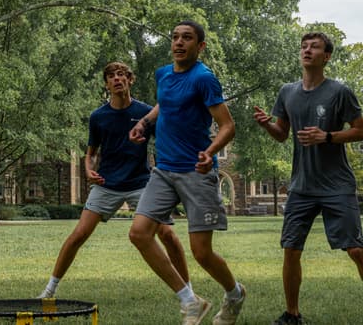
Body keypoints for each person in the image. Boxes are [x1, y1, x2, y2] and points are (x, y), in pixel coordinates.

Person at [38, 62, 190, 299]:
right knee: (78, 235)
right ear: (106, 84)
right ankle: (49, 290)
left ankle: (188, 292)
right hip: (107, 185)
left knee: (167, 234)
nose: (117, 79)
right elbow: (90, 154)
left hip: (141, 183)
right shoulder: (98, 117)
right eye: (111, 77)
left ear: (130, 80)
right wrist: (89, 171)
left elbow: (165, 139)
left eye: (122, 75)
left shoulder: (146, 113)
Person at [128, 21, 245, 325]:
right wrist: (144, 122)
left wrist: (210, 152)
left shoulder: (204, 79)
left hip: (196, 172)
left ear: (200, 46)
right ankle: (190, 301)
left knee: (202, 254)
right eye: (176, 37)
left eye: (187, 38)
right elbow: (163, 106)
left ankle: (234, 293)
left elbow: (228, 125)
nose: (179, 42)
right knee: (139, 234)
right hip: (164, 170)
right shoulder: (163, 74)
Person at [253, 32, 363, 325]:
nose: (307, 50)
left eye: (314, 47)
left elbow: (360, 129)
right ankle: (292, 315)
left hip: (337, 185)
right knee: (291, 248)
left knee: (354, 248)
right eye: (303, 46)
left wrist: (327, 136)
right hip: (301, 186)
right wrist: (267, 125)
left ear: (326, 56)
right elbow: (281, 135)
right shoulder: (287, 91)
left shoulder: (340, 91)